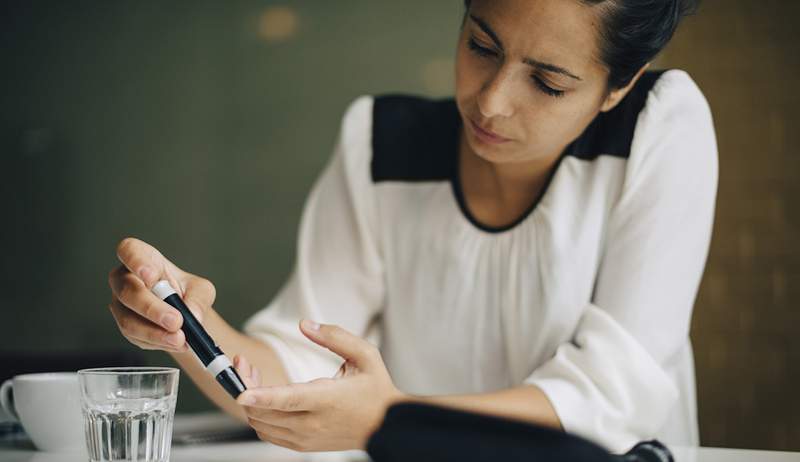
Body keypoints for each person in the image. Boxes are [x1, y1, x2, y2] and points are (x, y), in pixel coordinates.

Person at [107, 0, 716, 454]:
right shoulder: (379, 144)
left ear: (620, 86)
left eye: (548, 83)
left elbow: (611, 394)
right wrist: (186, 326)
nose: (492, 102)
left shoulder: (660, 128)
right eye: (481, 45)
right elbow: (298, 371)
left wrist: (389, 417)